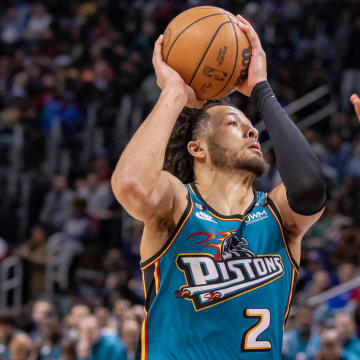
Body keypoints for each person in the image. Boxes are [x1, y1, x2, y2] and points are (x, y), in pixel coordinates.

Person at [111, 14, 326, 360]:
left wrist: (261, 89)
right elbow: (132, 185)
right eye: (233, 123)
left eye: (250, 125)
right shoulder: (177, 204)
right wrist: (175, 93)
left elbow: (310, 188)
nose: (253, 131)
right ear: (197, 148)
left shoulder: (276, 215)